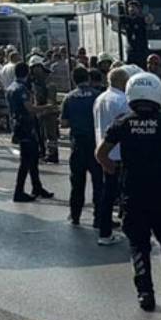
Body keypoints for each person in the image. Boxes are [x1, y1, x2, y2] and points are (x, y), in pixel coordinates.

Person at [96, 72, 161, 312]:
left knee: (138, 243)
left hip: (133, 190)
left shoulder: (122, 122)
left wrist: (113, 170)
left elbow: (101, 153)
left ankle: (145, 292)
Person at [94, 67, 133, 245]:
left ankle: (105, 229)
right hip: (120, 153)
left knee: (108, 193)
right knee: (126, 193)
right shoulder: (122, 101)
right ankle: (127, 228)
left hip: (104, 150)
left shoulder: (100, 98)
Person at [61, 67, 104, 226]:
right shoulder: (97, 96)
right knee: (98, 182)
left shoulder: (69, 97)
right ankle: (99, 218)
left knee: (77, 182)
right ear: (88, 78)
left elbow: (64, 123)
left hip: (77, 144)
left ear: (74, 80)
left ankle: (75, 215)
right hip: (95, 143)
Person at [5, 62, 53, 202]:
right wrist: (47, 107)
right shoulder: (21, 89)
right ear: (27, 73)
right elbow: (30, 109)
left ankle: (37, 187)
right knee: (26, 161)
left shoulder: (11, 88)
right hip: (26, 126)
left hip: (19, 125)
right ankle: (19, 191)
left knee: (33, 159)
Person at [26, 55, 60, 164]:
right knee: (41, 135)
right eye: (33, 68)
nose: (35, 71)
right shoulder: (34, 82)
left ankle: (53, 154)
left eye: (37, 67)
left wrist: (42, 109)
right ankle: (43, 151)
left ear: (41, 67)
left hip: (49, 113)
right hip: (39, 113)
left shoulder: (48, 81)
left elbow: (51, 100)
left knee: (51, 136)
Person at [119, 0, 150, 68]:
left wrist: (148, 17)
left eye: (133, 7)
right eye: (130, 7)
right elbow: (115, 18)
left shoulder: (142, 19)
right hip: (131, 51)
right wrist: (105, 14)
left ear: (138, 9)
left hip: (142, 51)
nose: (131, 9)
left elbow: (150, 20)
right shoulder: (126, 19)